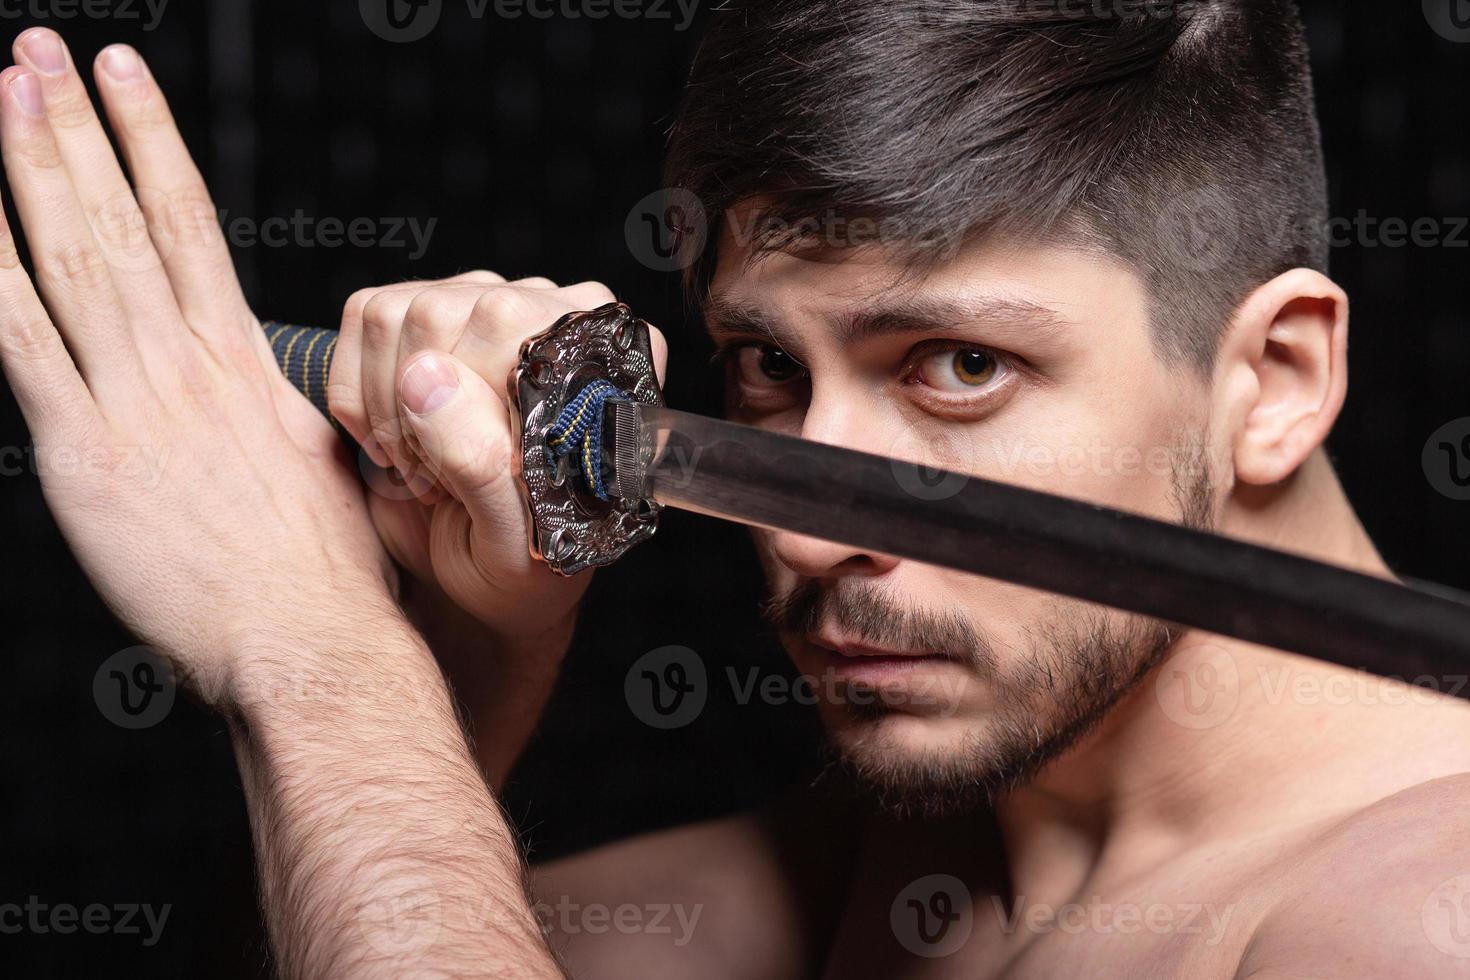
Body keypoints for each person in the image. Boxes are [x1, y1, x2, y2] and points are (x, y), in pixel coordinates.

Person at [2, 3, 1468, 977]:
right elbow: (314, 933)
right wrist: (471, 636)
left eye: (958, 366)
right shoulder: (926, 851)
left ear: (1270, 378)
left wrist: (324, 665)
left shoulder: (1410, 917)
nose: (804, 522)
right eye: (766, 362)